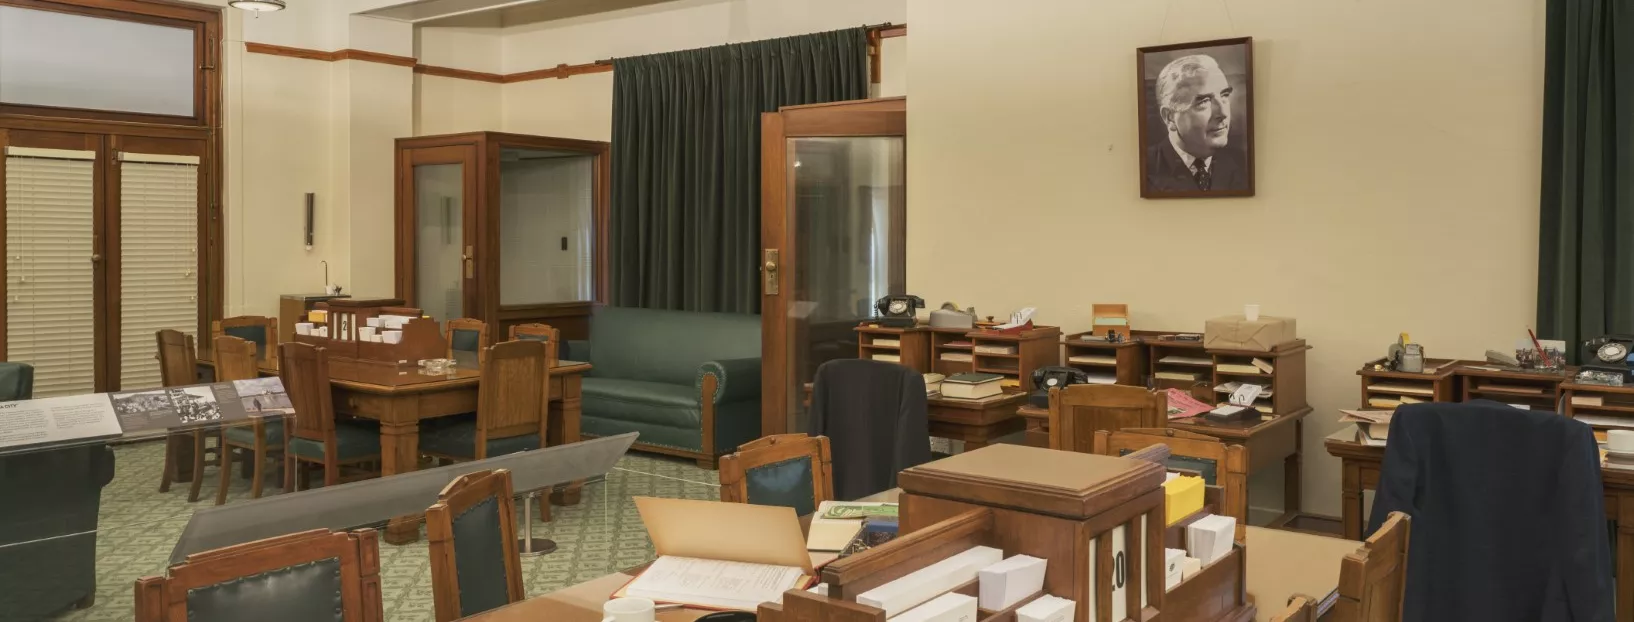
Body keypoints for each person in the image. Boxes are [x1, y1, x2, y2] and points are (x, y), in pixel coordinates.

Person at [1145, 53, 1249, 193]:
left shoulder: (1242, 164)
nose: (1223, 114)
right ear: (1169, 117)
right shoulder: (1144, 168)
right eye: (1204, 102)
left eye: (1224, 96)